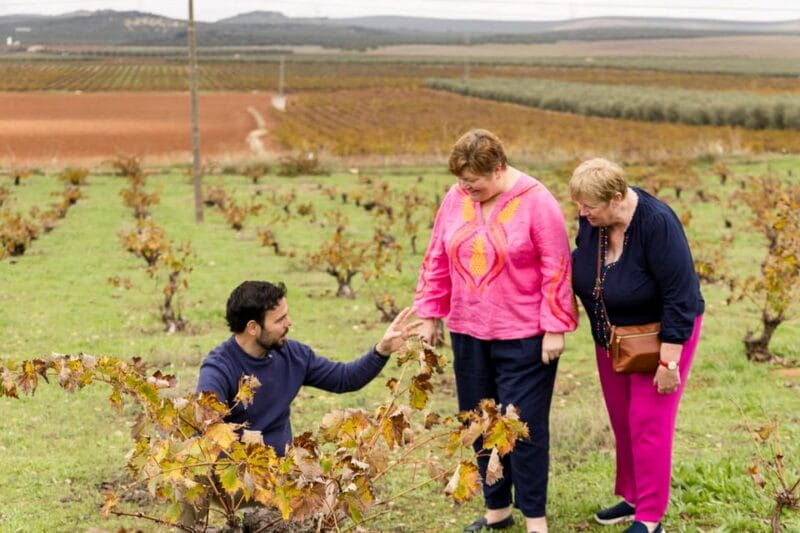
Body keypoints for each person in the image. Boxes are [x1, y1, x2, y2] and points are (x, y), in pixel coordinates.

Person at [414, 129, 578, 533]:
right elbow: (437, 255)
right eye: (461, 182)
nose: (466, 190)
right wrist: (429, 314)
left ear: (499, 168)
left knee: (523, 427)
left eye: (474, 182)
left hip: (524, 336)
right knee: (479, 421)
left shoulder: (538, 202)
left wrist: (555, 327)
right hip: (468, 331)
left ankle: (535, 518)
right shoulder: (456, 197)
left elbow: (556, 267)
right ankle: (497, 510)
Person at [569, 158, 704, 533]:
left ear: (615, 198)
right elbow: (584, 261)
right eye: (578, 206)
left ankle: (650, 517)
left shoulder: (657, 224)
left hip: (661, 337)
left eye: (589, 207)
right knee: (623, 419)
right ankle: (632, 497)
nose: (582, 213)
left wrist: (669, 362)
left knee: (649, 423)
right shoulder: (594, 218)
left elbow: (682, 294)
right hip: (612, 335)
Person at [197, 280, 420, 454]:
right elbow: (207, 430)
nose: (289, 323)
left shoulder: (293, 355)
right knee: (191, 481)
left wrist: (382, 349)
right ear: (253, 328)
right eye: (280, 320)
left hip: (284, 472)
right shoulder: (218, 369)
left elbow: (345, 378)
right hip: (235, 470)